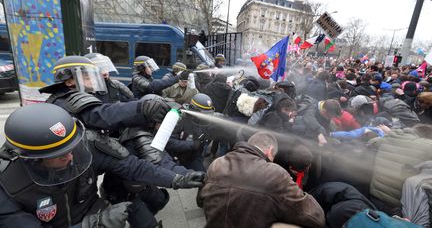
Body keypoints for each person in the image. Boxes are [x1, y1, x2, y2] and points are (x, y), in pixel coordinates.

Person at [0, 103, 205, 228]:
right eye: (60, 155)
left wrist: (176, 179)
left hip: (95, 213)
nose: (71, 157)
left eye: (72, 147)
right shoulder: (7, 185)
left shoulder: (88, 145)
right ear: (32, 158)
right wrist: (92, 226)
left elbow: (135, 166)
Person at [200, 132, 325, 228]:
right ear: (269, 151)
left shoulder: (217, 163)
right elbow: (316, 217)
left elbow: (200, 200)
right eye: (272, 156)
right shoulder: (275, 173)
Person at [39, 55, 171, 131]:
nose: (93, 81)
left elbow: (127, 101)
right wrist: (146, 107)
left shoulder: (106, 87)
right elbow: (104, 114)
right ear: (69, 82)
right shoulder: (65, 102)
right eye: (87, 77)